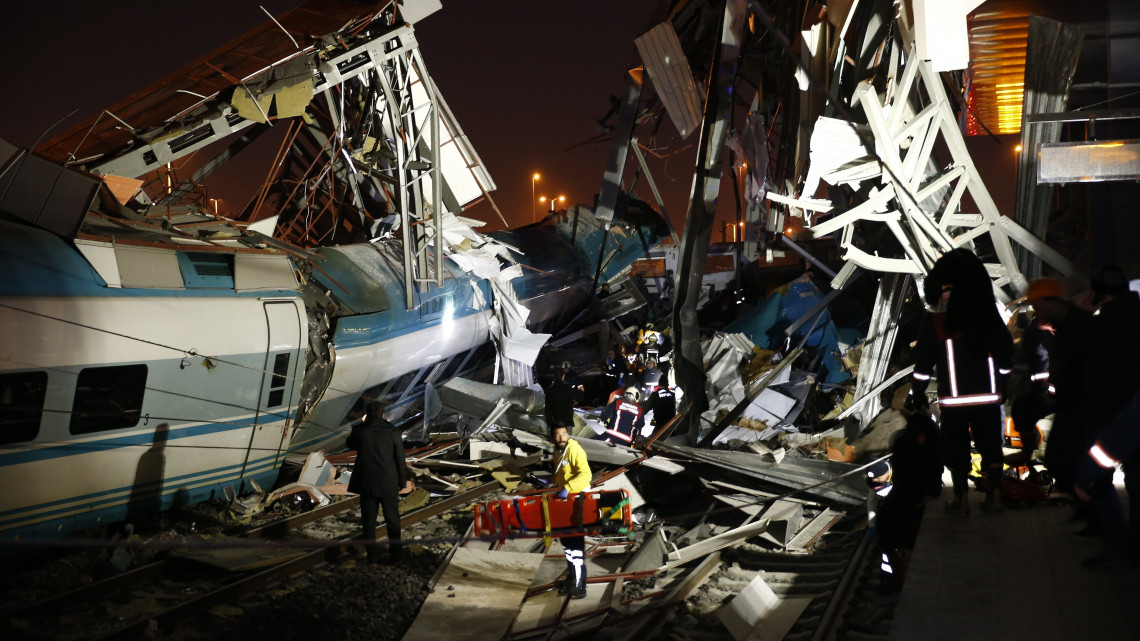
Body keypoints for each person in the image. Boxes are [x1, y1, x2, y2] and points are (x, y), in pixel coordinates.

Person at [911, 249, 1014, 515]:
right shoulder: (989, 317)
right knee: (992, 448)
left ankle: (961, 501)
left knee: (955, 451)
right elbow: (1006, 353)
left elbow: (923, 363)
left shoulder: (935, 321)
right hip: (989, 397)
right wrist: (1002, 383)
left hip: (954, 400)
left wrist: (918, 389)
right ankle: (996, 498)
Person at [347, 400, 415, 563]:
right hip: (388, 482)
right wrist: (402, 481)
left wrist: (363, 424)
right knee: (392, 519)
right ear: (383, 414)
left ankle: (373, 555)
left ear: (367, 414)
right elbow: (400, 458)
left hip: (367, 482)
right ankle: (396, 554)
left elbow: (349, 444)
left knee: (368, 521)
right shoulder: (392, 431)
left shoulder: (360, 430)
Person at [552, 424, 591, 599]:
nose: (561, 438)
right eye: (557, 435)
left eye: (564, 434)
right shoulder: (558, 452)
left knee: (575, 546)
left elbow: (585, 475)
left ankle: (580, 586)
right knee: (567, 544)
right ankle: (573, 578)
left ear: (568, 435)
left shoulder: (574, 450)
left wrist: (567, 487)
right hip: (565, 502)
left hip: (577, 503)